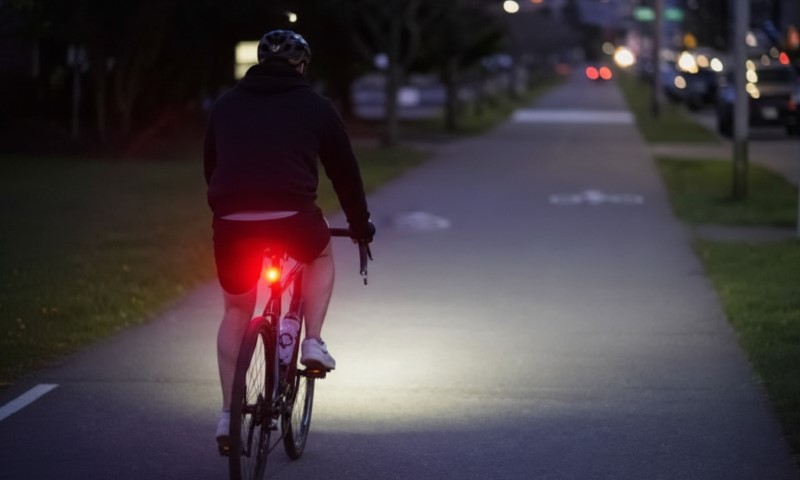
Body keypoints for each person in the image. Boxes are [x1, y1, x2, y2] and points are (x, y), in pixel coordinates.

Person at [203, 29, 375, 450]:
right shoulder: (316, 106)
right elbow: (344, 171)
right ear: (302, 65)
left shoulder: (225, 104)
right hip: (292, 217)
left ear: (260, 63)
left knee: (236, 310)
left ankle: (228, 416)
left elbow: (212, 164)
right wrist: (359, 224)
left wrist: (230, 208)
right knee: (319, 257)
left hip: (232, 220)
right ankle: (312, 342)